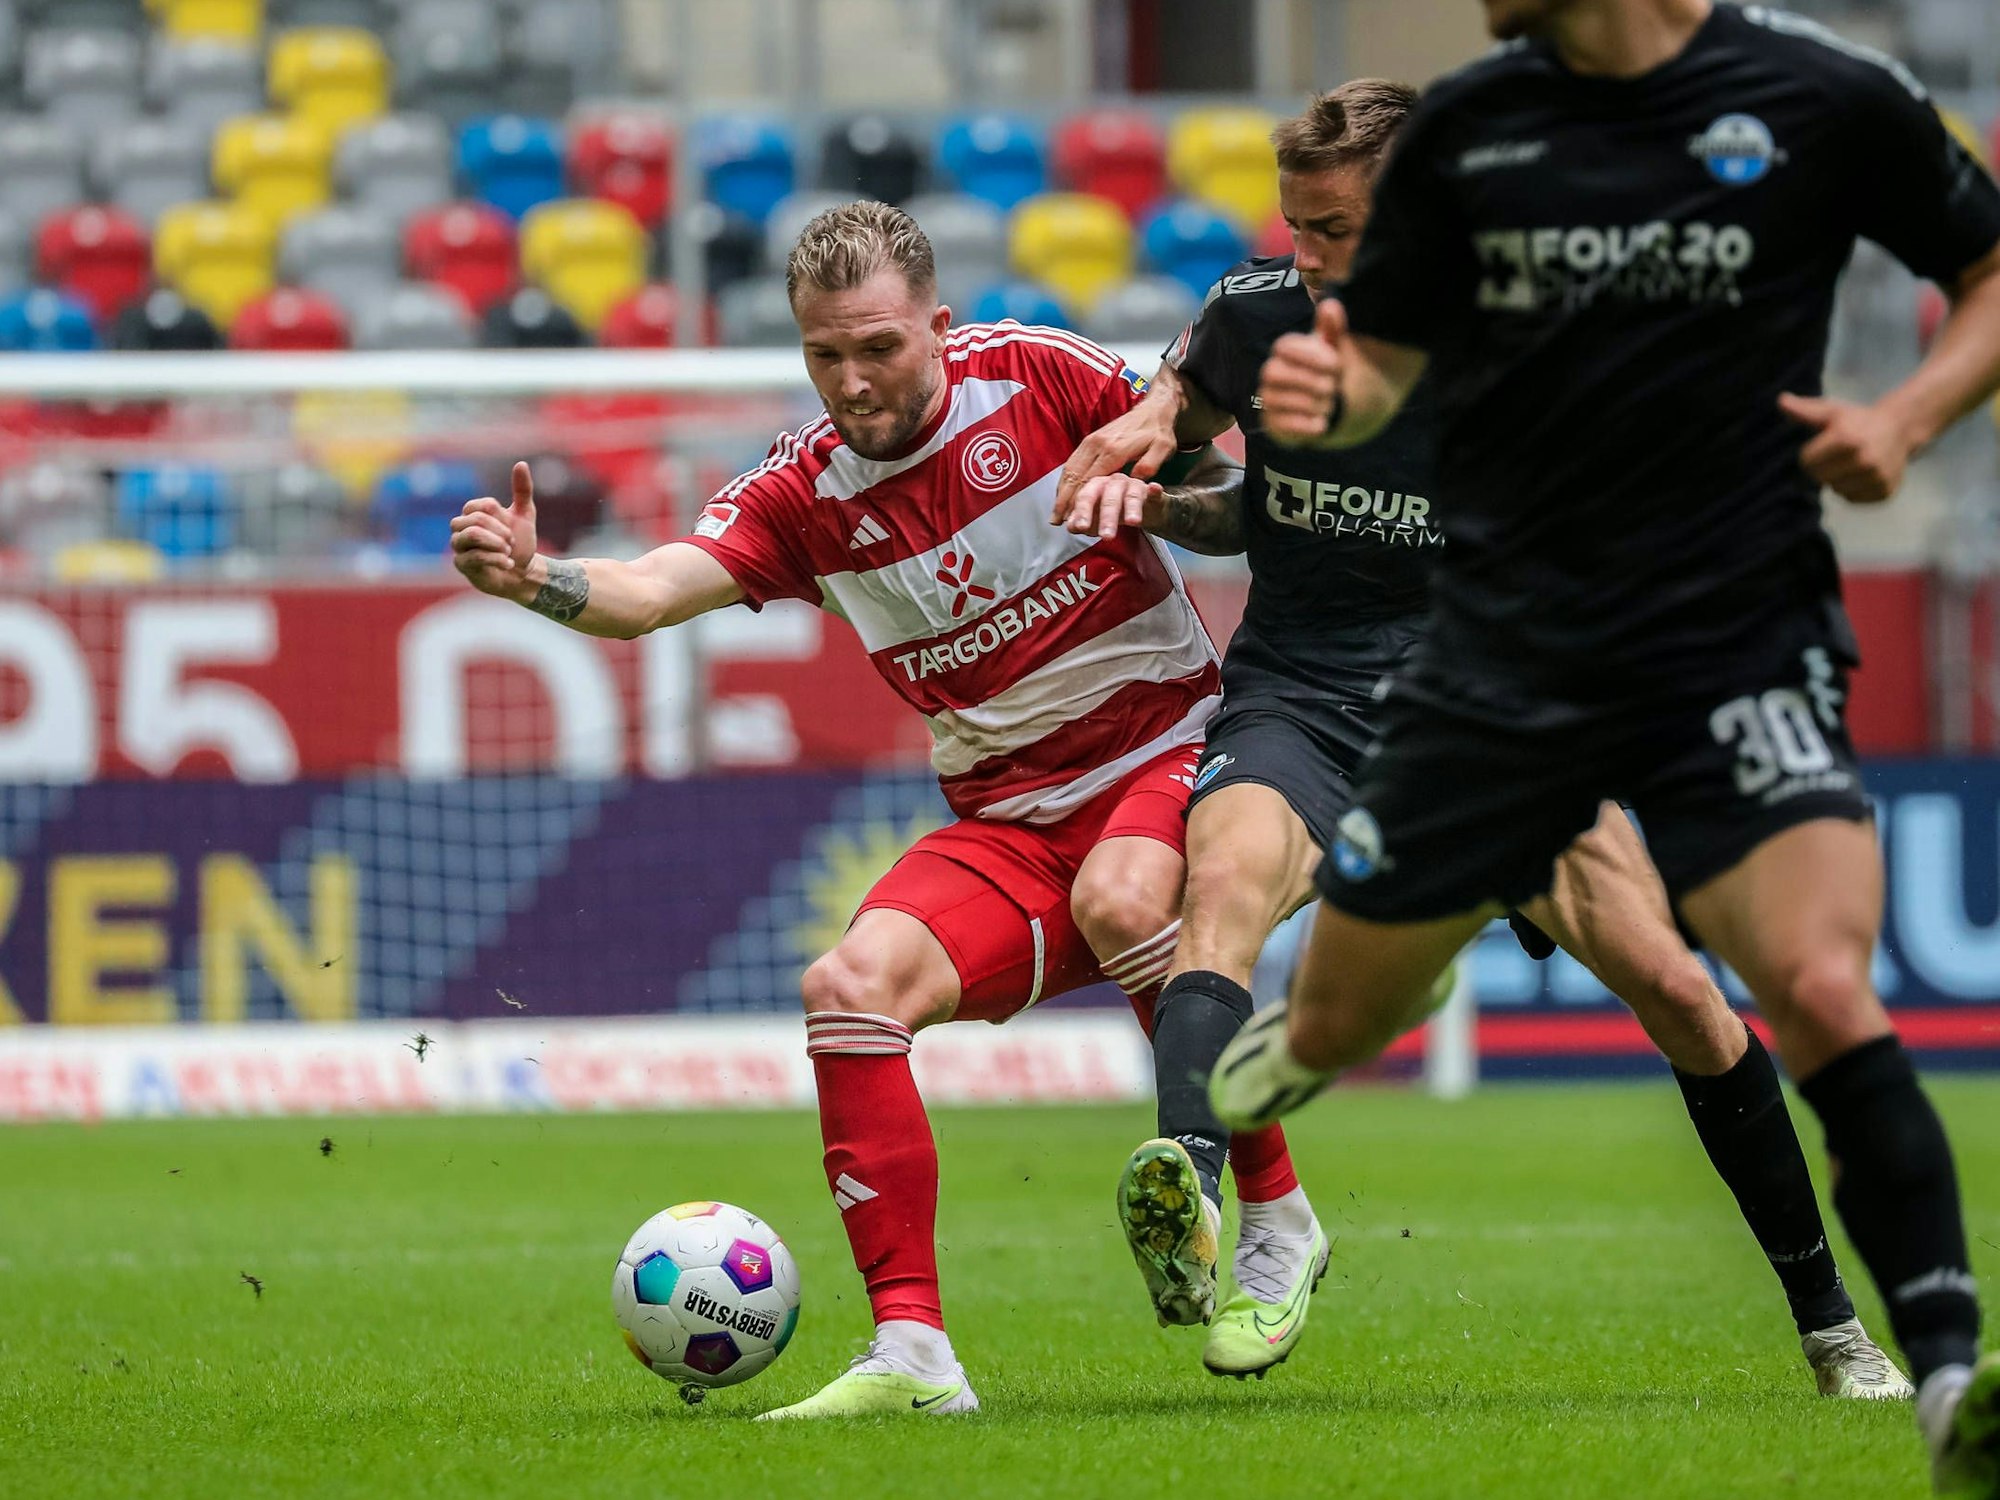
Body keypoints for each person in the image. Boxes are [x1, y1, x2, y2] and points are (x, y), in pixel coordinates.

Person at [1214, 2, 2000, 1491]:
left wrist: (1908, 417)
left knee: (1802, 985)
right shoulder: (1468, 128)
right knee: (1338, 1023)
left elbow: (1989, 266)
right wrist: (1340, 396)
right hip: (1505, 652)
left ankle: (1932, 1371)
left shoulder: (1824, 94)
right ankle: (1302, 1045)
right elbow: (1384, 362)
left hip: (1733, 626)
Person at [1057, 77, 1907, 1397]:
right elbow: (1235, 493)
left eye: (1336, 230)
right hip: (1305, 690)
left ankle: (1833, 1327)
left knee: (1682, 997)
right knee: (1216, 889)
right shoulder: (1253, 315)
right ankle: (1194, 1196)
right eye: (1295, 225)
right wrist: (1149, 468)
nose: (1309, 257)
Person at [449, 199, 1300, 1418]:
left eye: (878, 348)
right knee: (846, 988)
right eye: (823, 356)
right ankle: (914, 1358)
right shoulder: (803, 493)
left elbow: (1232, 497)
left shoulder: (1042, 376)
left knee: (1124, 893)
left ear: (938, 328)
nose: (850, 381)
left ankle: (1270, 1213)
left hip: (1163, 755)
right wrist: (539, 580)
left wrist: (1156, 501)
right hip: (1008, 822)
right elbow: (645, 593)